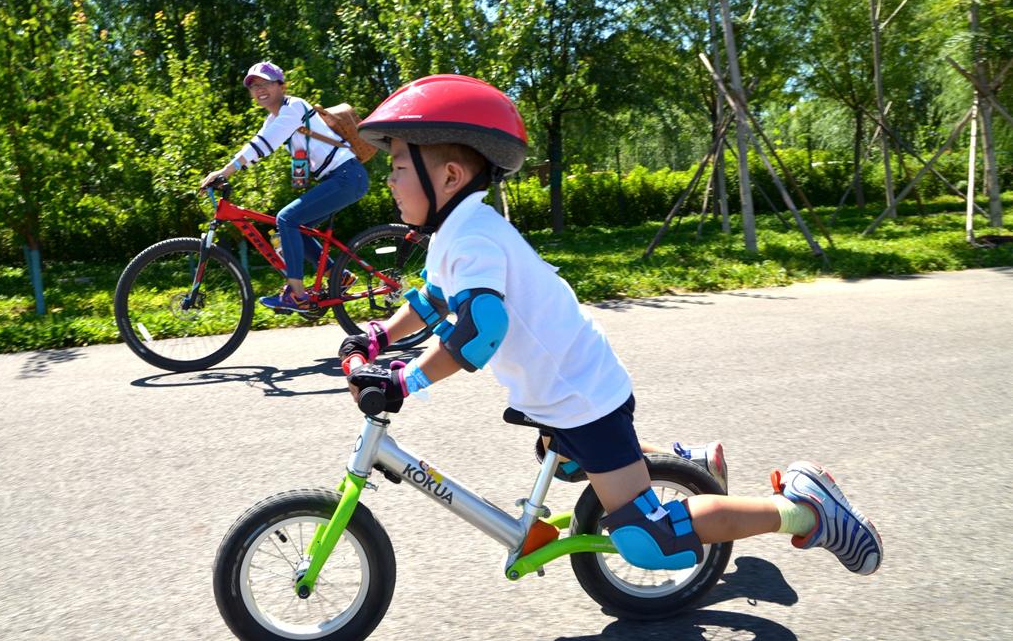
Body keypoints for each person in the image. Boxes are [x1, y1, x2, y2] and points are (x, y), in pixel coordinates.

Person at [337, 74, 882, 576]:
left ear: (449, 176)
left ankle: (804, 510)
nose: (389, 180)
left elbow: (482, 328)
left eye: (399, 167)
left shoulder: (475, 237)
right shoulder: (456, 232)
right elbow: (433, 300)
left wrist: (405, 380)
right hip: (563, 395)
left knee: (647, 538)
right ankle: (684, 465)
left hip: (583, 398)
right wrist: (381, 336)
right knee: (576, 468)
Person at [202, 61, 370, 313]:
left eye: (265, 83)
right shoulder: (274, 118)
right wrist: (230, 173)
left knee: (286, 219)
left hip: (347, 176)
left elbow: (264, 143)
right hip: (339, 178)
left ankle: (297, 294)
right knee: (297, 228)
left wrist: (225, 171)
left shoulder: (294, 107)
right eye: (254, 86)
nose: (259, 89)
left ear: (282, 85)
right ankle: (339, 276)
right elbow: (257, 148)